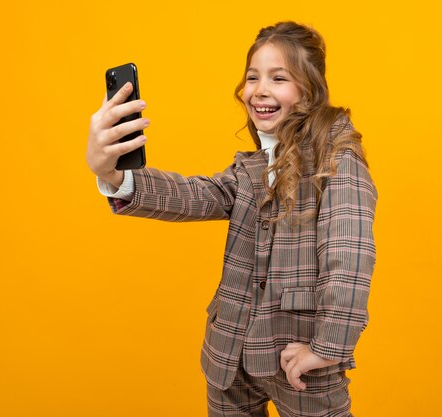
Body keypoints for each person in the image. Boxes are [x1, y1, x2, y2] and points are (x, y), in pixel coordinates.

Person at [86, 21, 377, 417]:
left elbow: (350, 257)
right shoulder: (252, 168)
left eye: (279, 78)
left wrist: (327, 348)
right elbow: (195, 195)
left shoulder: (338, 159)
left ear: (308, 90)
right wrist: (114, 176)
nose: (259, 89)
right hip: (228, 357)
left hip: (299, 363)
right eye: (252, 77)